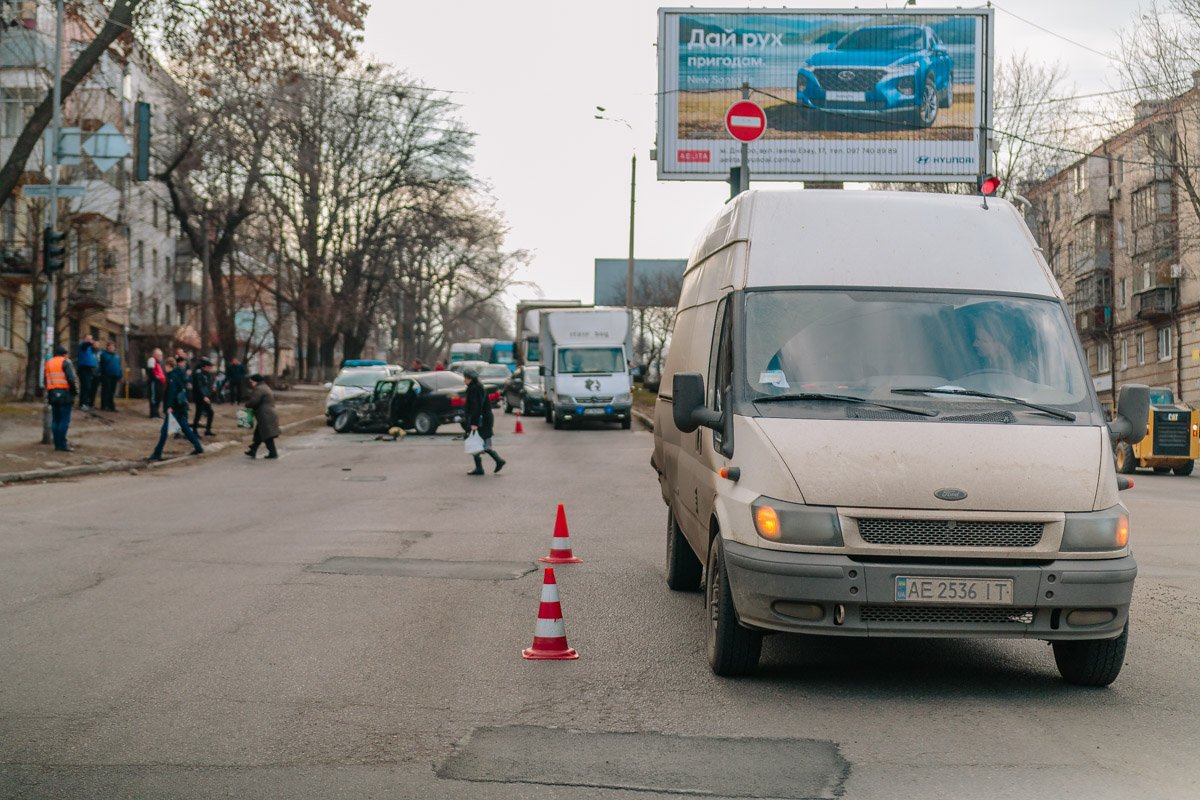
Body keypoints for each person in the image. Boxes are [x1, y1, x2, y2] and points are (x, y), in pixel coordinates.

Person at [146, 356, 204, 461]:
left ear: (169, 366)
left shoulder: (172, 377)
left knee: (164, 431)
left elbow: (171, 393)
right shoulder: (179, 374)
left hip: (174, 408)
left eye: (166, 366)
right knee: (185, 429)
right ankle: (198, 447)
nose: (165, 369)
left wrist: (169, 407)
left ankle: (157, 454)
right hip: (181, 407)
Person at [463, 367, 505, 475]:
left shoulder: (474, 389)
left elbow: (476, 407)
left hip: (481, 421)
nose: (464, 381)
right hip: (484, 419)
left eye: (466, 378)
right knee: (478, 443)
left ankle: (486, 465)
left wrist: (474, 423)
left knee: (476, 443)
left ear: (471, 379)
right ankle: (495, 461)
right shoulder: (478, 387)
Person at [44, 344, 78, 452]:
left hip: (52, 393)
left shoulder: (49, 362)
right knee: (64, 420)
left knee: (56, 420)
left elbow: (45, 380)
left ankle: (57, 444)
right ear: (65, 354)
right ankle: (62, 444)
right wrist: (74, 392)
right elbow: (71, 379)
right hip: (65, 393)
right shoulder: (65, 362)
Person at [244, 374, 280, 459]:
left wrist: (247, 405)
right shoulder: (264, 387)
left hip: (265, 415)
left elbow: (254, 401)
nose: (251, 383)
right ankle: (253, 450)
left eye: (251, 381)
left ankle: (273, 453)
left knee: (267, 435)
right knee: (259, 433)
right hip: (268, 414)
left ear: (255, 381)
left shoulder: (259, 389)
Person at [191, 358, 216, 436]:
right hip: (199, 396)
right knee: (198, 413)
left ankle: (207, 430)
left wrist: (210, 391)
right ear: (204, 367)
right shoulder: (198, 373)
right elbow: (199, 386)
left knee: (210, 412)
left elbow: (206, 385)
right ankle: (194, 430)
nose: (210, 369)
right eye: (209, 367)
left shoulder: (207, 374)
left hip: (205, 396)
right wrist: (204, 396)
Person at [76, 334, 98, 410]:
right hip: (84, 369)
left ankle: (86, 403)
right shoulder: (83, 346)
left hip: (89, 369)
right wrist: (90, 342)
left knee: (88, 387)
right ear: (84, 339)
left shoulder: (89, 348)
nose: (90, 340)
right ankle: (83, 404)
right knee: (85, 387)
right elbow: (85, 345)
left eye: (91, 339)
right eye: (88, 339)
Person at [98, 341, 122, 412]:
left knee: (112, 391)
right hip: (107, 375)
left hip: (115, 375)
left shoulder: (117, 356)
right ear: (107, 347)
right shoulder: (104, 355)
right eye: (110, 346)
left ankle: (111, 406)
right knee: (106, 390)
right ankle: (104, 405)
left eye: (113, 346)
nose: (112, 348)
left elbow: (119, 366)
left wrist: (120, 374)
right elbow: (102, 365)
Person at [146, 347, 166, 418]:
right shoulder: (152, 360)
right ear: (154, 354)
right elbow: (150, 371)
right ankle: (153, 414)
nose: (160, 357)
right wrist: (156, 377)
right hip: (154, 382)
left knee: (158, 397)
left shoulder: (159, 362)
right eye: (159, 355)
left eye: (161, 355)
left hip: (159, 382)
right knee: (154, 398)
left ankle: (156, 413)